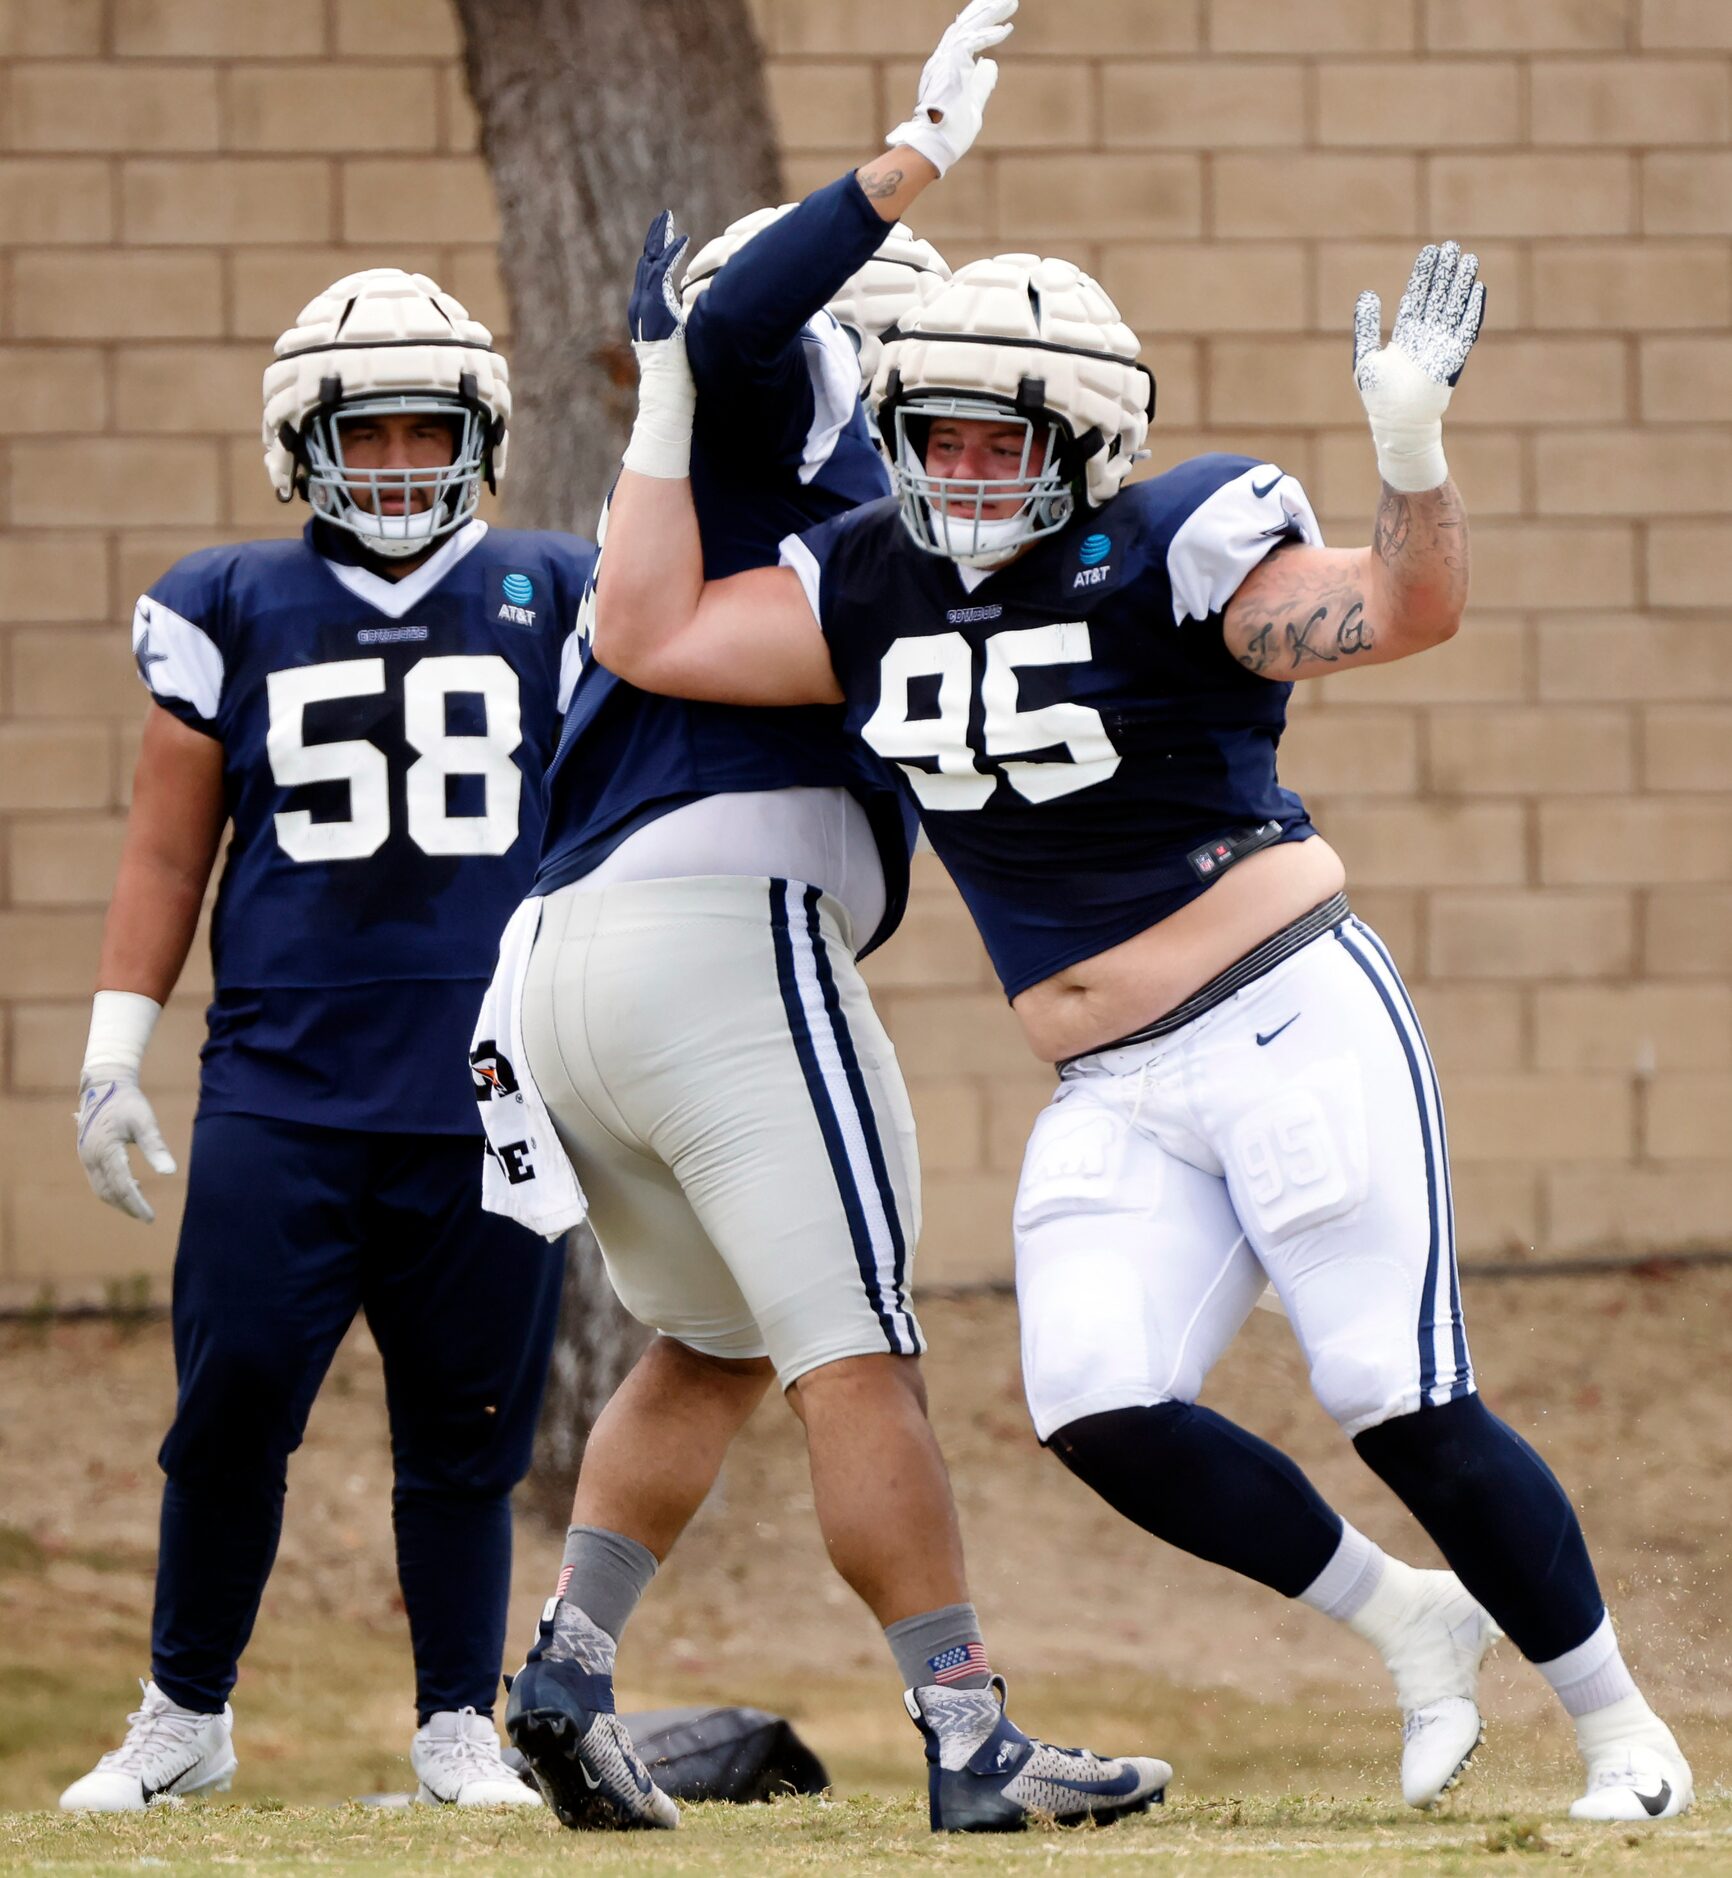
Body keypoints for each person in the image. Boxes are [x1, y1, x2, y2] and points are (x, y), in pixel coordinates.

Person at [584, 236, 1696, 1825]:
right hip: (1106, 1077)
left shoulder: (1182, 538)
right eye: (934, 435)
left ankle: (1622, 1731)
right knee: (1096, 1401)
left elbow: (1403, 610)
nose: (962, 473)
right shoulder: (866, 578)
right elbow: (646, 632)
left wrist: (1409, 453)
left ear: (1086, 441)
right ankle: (1410, 1616)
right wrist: (671, 402)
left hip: (1286, 1018)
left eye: (1002, 438)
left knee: (1393, 1384)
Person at [489, 0, 1167, 1836]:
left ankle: (562, 1669)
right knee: (860, 1347)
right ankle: (971, 1736)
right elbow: (726, 329)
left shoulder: (738, 498)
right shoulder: (774, 405)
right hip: (726, 931)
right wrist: (903, 169)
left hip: (573, 967)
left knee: (706, 1342)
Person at [61, 267, 592, 1811]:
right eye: (374, 432)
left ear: (481, 436)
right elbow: (168, 856)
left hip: (491, 1086)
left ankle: (454, 1722)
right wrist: (112, 1053)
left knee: (468, 1424)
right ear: (307, 441)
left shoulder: (560, 591)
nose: (405, 463)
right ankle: (185, 1710)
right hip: (281, 1088)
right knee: (229, 1409)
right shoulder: (227, 601)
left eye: (434, 432)